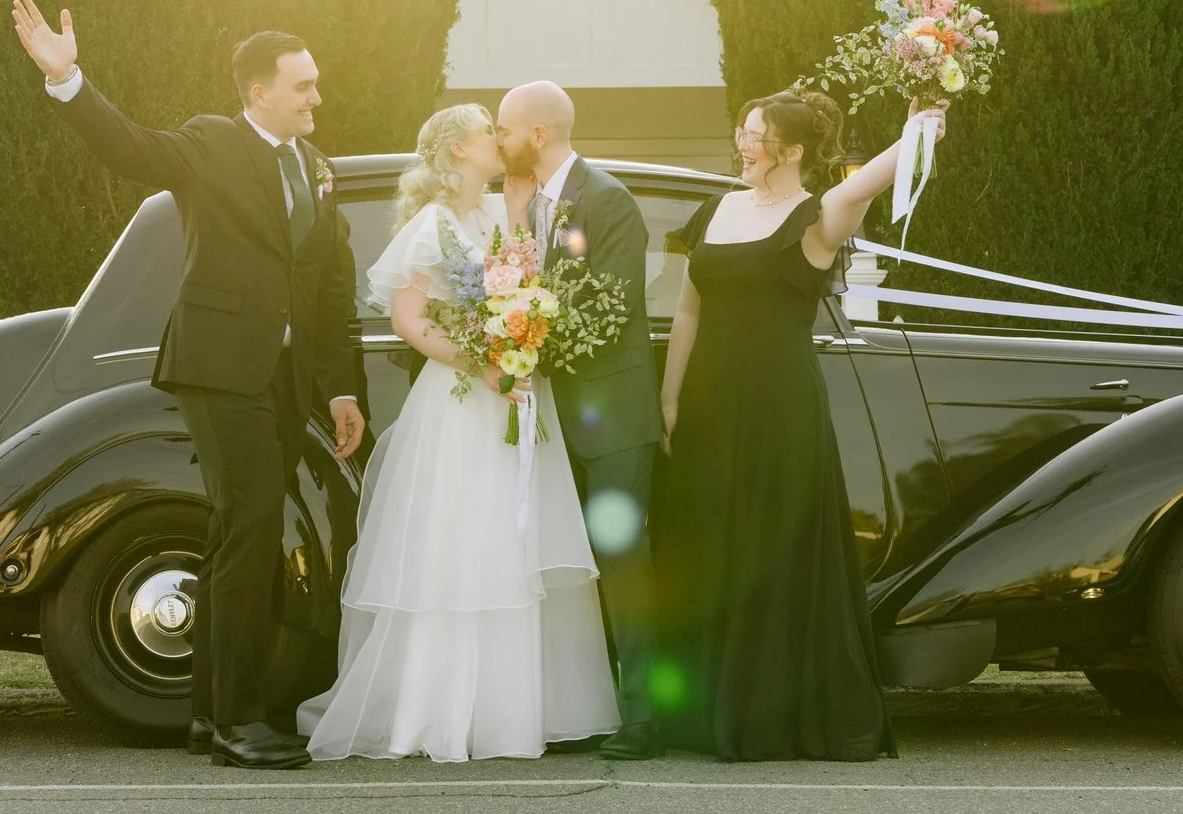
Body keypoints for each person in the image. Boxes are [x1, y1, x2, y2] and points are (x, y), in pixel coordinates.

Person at [10, 0, 365, 772]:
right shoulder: (212, 143)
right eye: (302, 86)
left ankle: (211, 714)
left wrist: (341, 389)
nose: (316, 98)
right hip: (216, 368)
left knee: (234, 531)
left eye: (315, 84)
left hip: (284, 382)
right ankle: (241, 722)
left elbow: (332, 287)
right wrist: (69, 79)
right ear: (258, 93)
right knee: (251, 522)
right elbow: (132, 147)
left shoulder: (317, 168)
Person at [297, 104, 621, 760]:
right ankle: (439, 709)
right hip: (461, 404)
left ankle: (514, 710)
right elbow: (412, 319)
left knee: (514, 543)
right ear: (455, 151)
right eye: (484, 132)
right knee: (461, 546)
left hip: (519, 393)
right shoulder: (434, 224)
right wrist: (487, 364)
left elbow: (532, 286)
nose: (495, 140)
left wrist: (528, 339)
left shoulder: (502, 214)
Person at [653, 87, 940, 762]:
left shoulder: (819, 215)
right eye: (743, 130)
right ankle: (701, 712)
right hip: (710, 404)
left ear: (792, 148)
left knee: (768, 548)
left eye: (756, 133)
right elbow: (689, 312)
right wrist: (670, 398)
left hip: (780, 407)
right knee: (712, 547)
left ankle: (769, 717)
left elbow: (884, 170)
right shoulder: (717, 208)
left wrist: (925, 115)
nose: (743, 143)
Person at [494, 80, 664, 760]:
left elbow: (612, 308)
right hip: (547, 413)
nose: (498, 140)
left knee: (621, 558)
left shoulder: (609, 200)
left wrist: (525, 345)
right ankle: (569, 706)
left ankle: (645, 715)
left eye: (504, 128)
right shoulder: (525, 203)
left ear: (537, 133)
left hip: (611, 414)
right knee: (552, 560)